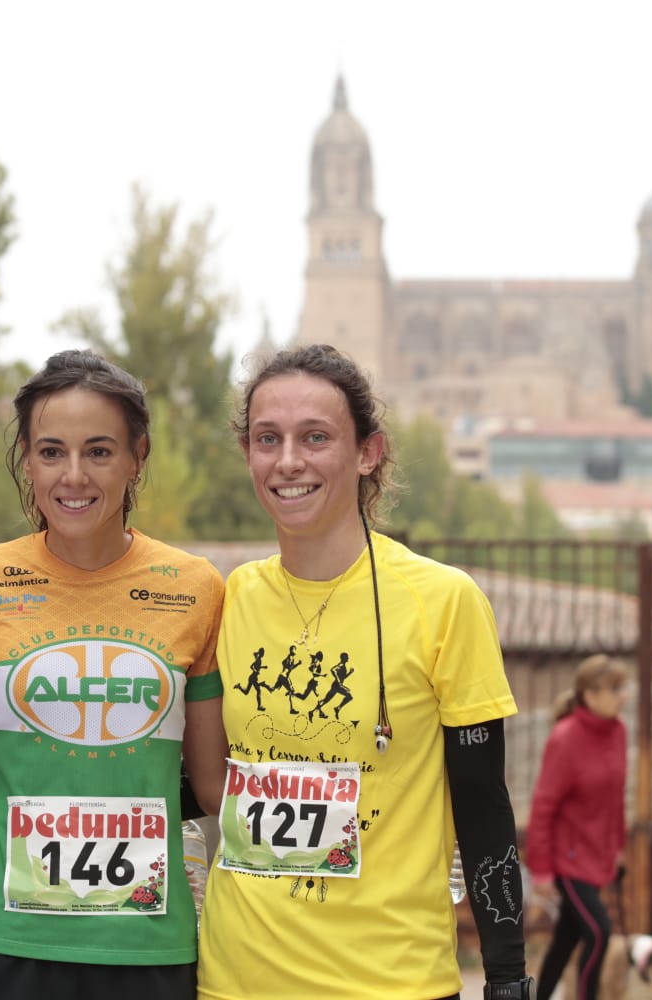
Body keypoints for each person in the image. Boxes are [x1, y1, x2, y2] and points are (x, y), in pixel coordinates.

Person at [199, 344, 533, 1000]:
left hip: (391, 980)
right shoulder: (227, 600)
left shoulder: (443, 602)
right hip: (234, 980)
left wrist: (508, 977)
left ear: (367, 453)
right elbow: (199, 785)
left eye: (315, 437)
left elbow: (483, 806)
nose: (288, 460)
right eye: (268, 439)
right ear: (248, 456)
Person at [0, 350, 226, 1000]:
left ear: (137, 456)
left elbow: (212, 789)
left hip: (148, 945)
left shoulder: (197, 587)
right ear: (26, 460)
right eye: (50, 452)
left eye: (98, 451)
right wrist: (23, 846)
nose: (73, 476)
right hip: (0, 944)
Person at [526, 654, 630, 1000]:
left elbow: (616, 799)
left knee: (567, 937)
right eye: (614, 690)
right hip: (567, 857)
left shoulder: (618, 732)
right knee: (598, 934)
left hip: (597, 853)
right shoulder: (565, 737)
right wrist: (541, 870)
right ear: (590, 694)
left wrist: (617, 848)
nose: (622, 697)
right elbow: (543, 806)